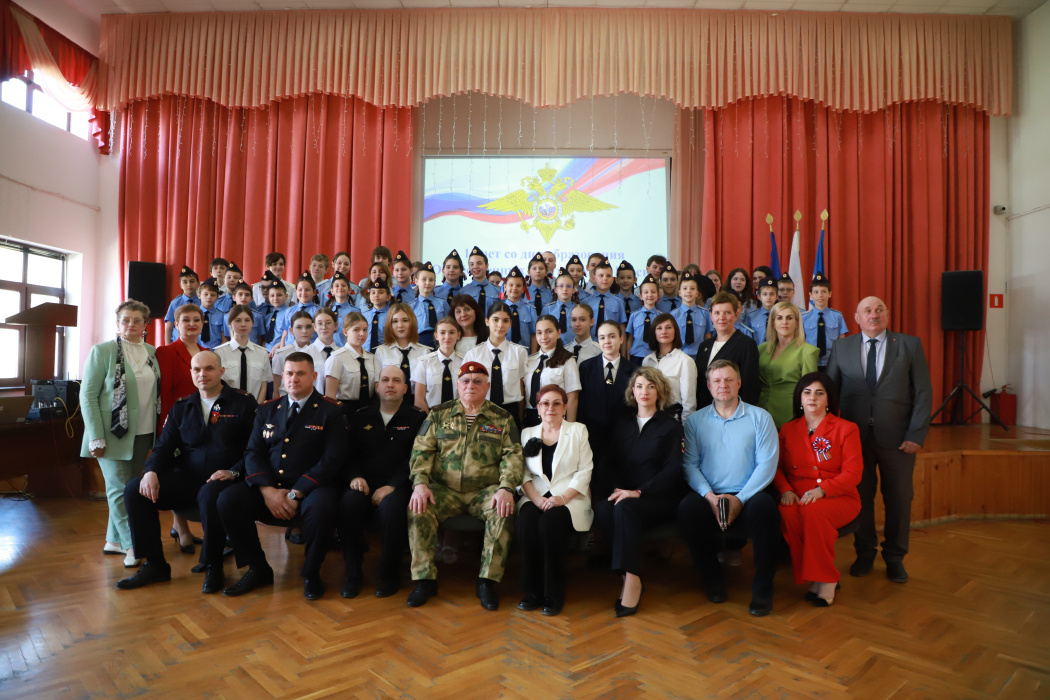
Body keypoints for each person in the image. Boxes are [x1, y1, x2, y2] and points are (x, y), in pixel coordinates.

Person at [115, 351, 258, 592]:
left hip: (227, 479)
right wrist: (150, 472)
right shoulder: (182, 406)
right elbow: (163, 448)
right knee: (134, 490)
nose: (203, 374)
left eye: (209, 369)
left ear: (221, 372)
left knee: (209, 495)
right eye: (197, 370)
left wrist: (234, 472)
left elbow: (255, 448)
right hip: (189, 478)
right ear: (191, 374)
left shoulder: (243, 402)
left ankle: (214, 565)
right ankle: (155, 565)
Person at [217, 352, 349, 599]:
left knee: (322, 508)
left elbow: (332, 460)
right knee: (228, 500)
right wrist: (267, 491)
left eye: (300, 374)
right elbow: (253, 452)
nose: (294, 379)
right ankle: (258, 569)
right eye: (289, 373)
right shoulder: (268, 409)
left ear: (313, 376)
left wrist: (296, 492)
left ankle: (311, 573)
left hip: (312, 487)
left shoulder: (331, 411)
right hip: (271, 486)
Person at [826, 296, 932, 583]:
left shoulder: (909, 345)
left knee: (899, 499)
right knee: (861, 498)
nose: (874, 315)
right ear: (857, 317)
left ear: (887, 314)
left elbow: (923, 393)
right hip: (854, 441)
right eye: (867, 311)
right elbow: (830, 393)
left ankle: (895, 557)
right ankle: (864, 553)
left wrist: (916, 435)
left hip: (899, 440)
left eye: (879, 309)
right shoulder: (842, 346)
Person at [405, 361, 524, 610]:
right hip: (444, 490)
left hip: (485, 490)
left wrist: (506, 488)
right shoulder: (438, 414)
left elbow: (513, 455)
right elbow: (421, 450)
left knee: (503, 509)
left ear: (487, 386)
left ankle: (487, 581)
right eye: (466, 381)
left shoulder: (502, 418)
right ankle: (424, 579)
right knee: (418, 506)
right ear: (458, 385)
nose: (471, 385)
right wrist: (420, 483)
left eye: (478, 381)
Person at [677, 359, 780, 616]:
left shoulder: (761, 417)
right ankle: (713, 580)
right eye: (717, 381)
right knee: (687, 510)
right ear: (709, 386)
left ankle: (763, 589)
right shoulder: (695, 421)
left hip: (751, 493)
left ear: (739, 383)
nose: (723, 385)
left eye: (729, 380)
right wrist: (710, 497)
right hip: (709, 493)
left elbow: (767, 465)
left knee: (766, 509)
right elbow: (689, 465)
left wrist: (741, 499)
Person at [593, 367, 685, 617]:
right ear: (632, 391)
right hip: (626, 495)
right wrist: (616, 489)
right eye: (640, 386)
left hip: (659, 499)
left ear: (660, 391)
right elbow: (608, 463)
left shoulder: (671, 427)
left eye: (651, 386)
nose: (645, 391)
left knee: (625, 507)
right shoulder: (622, 425)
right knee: (603, 508)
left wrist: (639, 491)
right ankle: (624, 574)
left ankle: (633, 579)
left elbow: (672, 470)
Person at [81, 299, 161, 568]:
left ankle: (113, 541)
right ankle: (132, 545)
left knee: (130, 489)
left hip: (142, 432)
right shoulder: (101, 351)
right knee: (116, 490)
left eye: (137, 320)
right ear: (117, 324)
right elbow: (88, 396)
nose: (131, 324)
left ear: (145, 325)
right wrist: (95, 435)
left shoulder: (151, 351)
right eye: (125, 320)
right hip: (110, 432)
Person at [774, 372, 863, 607]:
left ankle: (827, 579)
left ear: (828, 400)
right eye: (807, 392)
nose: (812, 397)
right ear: (799, 399)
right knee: (788, 512)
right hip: (797, 494)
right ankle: (814, 575)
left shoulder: (846, 428)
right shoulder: (787, 429)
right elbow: (777, 468)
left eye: (819, 393)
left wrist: (822, 491)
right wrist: (785, 490)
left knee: (813, 512)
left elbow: (853, 473)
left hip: (839, 495)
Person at [338, 366, 426, 598]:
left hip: (398, 485)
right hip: (363, 482)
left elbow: (416, 458)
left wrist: (392, 486)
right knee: (349, 504)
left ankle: (389, 575)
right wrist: (355, 476)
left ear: (405, 388)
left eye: (396, 381)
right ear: (377, 387)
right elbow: (348, 453)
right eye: (385, 380)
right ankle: (352, 574)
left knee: (391, 510)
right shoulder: (359, 416)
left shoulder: (417, 418)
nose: (390, 384)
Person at [516, 384, 594, 616]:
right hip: (535, 495)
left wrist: (562, 497)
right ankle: (532, 592)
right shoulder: (527, 433)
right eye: (545, 403)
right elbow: (522, 473)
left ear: (565, 407)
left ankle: (554, 593)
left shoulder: (578, 430)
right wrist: (536, 499)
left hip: (569, 497)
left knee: (550, 524)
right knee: (527, 520)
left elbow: (585, 470)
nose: (550, 408)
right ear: (538, 408)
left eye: (556, 403)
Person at [462, 301, 528, 428]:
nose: (500, 325)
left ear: (510, 323)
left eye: (505, 321)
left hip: (510, 410)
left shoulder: (520, 352)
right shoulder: (474, 354)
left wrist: (520, 418)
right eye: (495, 320)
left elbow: (521, 388)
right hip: (481, 410)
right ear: (487, 321)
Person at [577, 320, 633, 464]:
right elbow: (581, 405)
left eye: (612, 336)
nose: (607, 341)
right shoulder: (585, 368)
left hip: (624, 440)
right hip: (592, 440)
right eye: (602, 337)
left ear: (621, 339)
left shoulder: (635, 370)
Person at [758, 301, 819, 430]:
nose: (784, 322)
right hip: (760, 412)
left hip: (790, 414)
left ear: (797, 323)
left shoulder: (808, 351)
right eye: (779, 318)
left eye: (789, 318)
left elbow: (810, 391)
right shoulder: (761, 349)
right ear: (773, 323)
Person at [695, 291, 760, 408]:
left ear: (736, 314)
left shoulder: (747, 344)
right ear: (711, 316)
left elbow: (750, 389)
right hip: (704, 412)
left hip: (732, 413)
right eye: (717, 313)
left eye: (727, 312)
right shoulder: (704, 346)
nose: (721, 317)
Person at [523, 316, 581, 426]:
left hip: (555, 416)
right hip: (531, 417)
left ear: (558, 333)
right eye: (539, 333)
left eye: (549, 331)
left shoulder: (567, 360)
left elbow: (573, 397)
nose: (543, 337)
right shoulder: (530, 361)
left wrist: (569, 428)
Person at [642, 314, 697, 421]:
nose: (664, 332)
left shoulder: (685, 361)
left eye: (668, 327)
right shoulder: (647, 361)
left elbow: (689, 403)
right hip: (650, 418)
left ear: (675, 331)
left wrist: (685, 430)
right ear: (654, 332)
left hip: (672, 418)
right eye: (659, 328)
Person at [325, 311, 379, 414]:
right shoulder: (337, 358)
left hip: (369, 409)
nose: (362, 334)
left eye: (365, 329)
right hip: (345, 410)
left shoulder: (372, 358)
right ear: (345, 332)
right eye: (356, 330)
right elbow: (330, 396)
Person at [215, 304, 269, 404]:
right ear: (230, 323)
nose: (243, 324)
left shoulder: (262, 353)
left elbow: (263, 386)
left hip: (254, 408)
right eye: (238, 320)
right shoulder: (219, 353)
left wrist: (257, 409)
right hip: (227, 408)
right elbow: (217, 385)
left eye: (247, 320)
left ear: (252, 323)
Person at [412, 316, 463, 412]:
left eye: (452, 332)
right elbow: (419, 400)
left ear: (458, 335)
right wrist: (431, 421)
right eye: (442, 333)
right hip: (431, 415)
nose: (447, 337)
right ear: (436, 336)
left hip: (458, 416)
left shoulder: (464, 362)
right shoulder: (424, 362)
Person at [374, 302, 429, 386]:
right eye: (395, 321)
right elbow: (377, 385)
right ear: (390, 324)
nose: (400, 325)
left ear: (412, 323)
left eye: (405, 320)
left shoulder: (425, 352)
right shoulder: (381, 351)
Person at [801, 273, 847, 370]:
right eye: (816, 292)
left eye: (823, 292)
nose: (820, 295)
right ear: (810, 295)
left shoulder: (838, 316)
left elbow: (842, 342)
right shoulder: (803, 318)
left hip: (832, 362)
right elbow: (800, 341)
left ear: (830, 294)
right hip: (810, 361)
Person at [411, 261, 449, 349]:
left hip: (440, 343)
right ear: (416, 281)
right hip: (419, 344)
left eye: (431, 280)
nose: (427, 283)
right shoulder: (412, 307)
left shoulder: (442, 303)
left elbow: (448, 324)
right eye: (424, 279)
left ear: (435, 282)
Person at [625, 273, 661, 366]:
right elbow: (630, 338)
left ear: (658, 295)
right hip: (636, 355)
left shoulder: (661, 317)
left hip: (654, 355)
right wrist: (628, 357)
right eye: (646, 292)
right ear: (640, 296)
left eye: (653, 292)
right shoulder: (634, 315)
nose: (650, 295)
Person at [163, 266, 200, 343]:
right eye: (185, 282)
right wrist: (167, 347)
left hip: (197, 344)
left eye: (192, 281)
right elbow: (169, 328)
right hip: (178, 343)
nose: (189, 284)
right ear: (180, 285)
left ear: (198, 284)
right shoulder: (175, 303)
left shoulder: (203, 302)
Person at [463, 246, 502, 312]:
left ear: (486, 266)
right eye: (472, 264)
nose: (475, 267)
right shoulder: (463, 292)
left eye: (479, 263)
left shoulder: (498, 291)